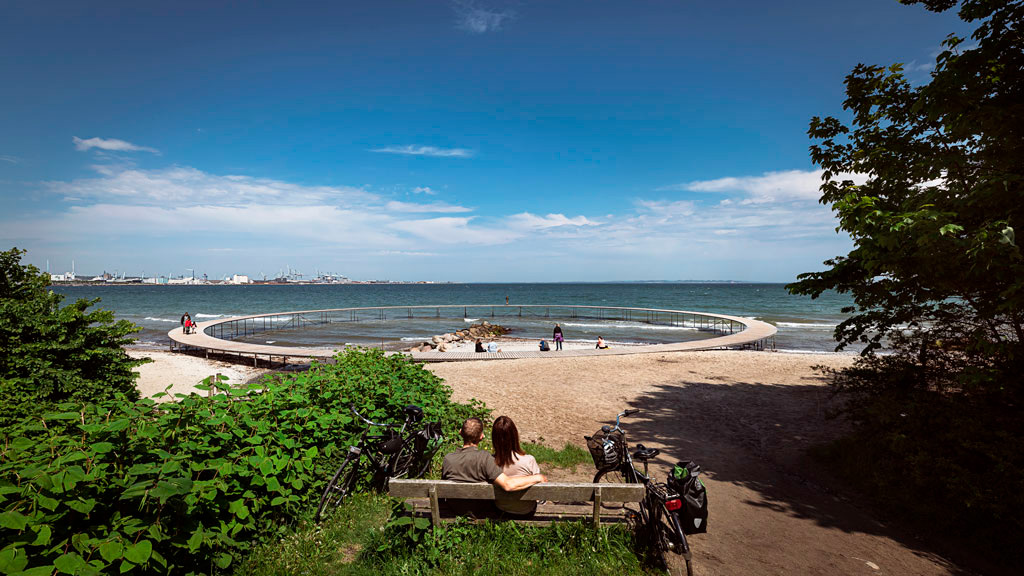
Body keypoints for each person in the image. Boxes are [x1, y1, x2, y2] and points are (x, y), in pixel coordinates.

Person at [441, 417, 546, 518]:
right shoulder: (485, 458)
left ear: (460, 432)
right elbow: (508, 484)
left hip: (455, 510)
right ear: (481, 436)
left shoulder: (448, 459)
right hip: (481, 512)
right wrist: (538, 477)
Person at [491, 416, 542, 517]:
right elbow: (540, 491)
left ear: (494, 438)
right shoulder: (529, 460)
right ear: (515, 436)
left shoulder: (490, 462)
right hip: (526, 512)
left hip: (500, 510)